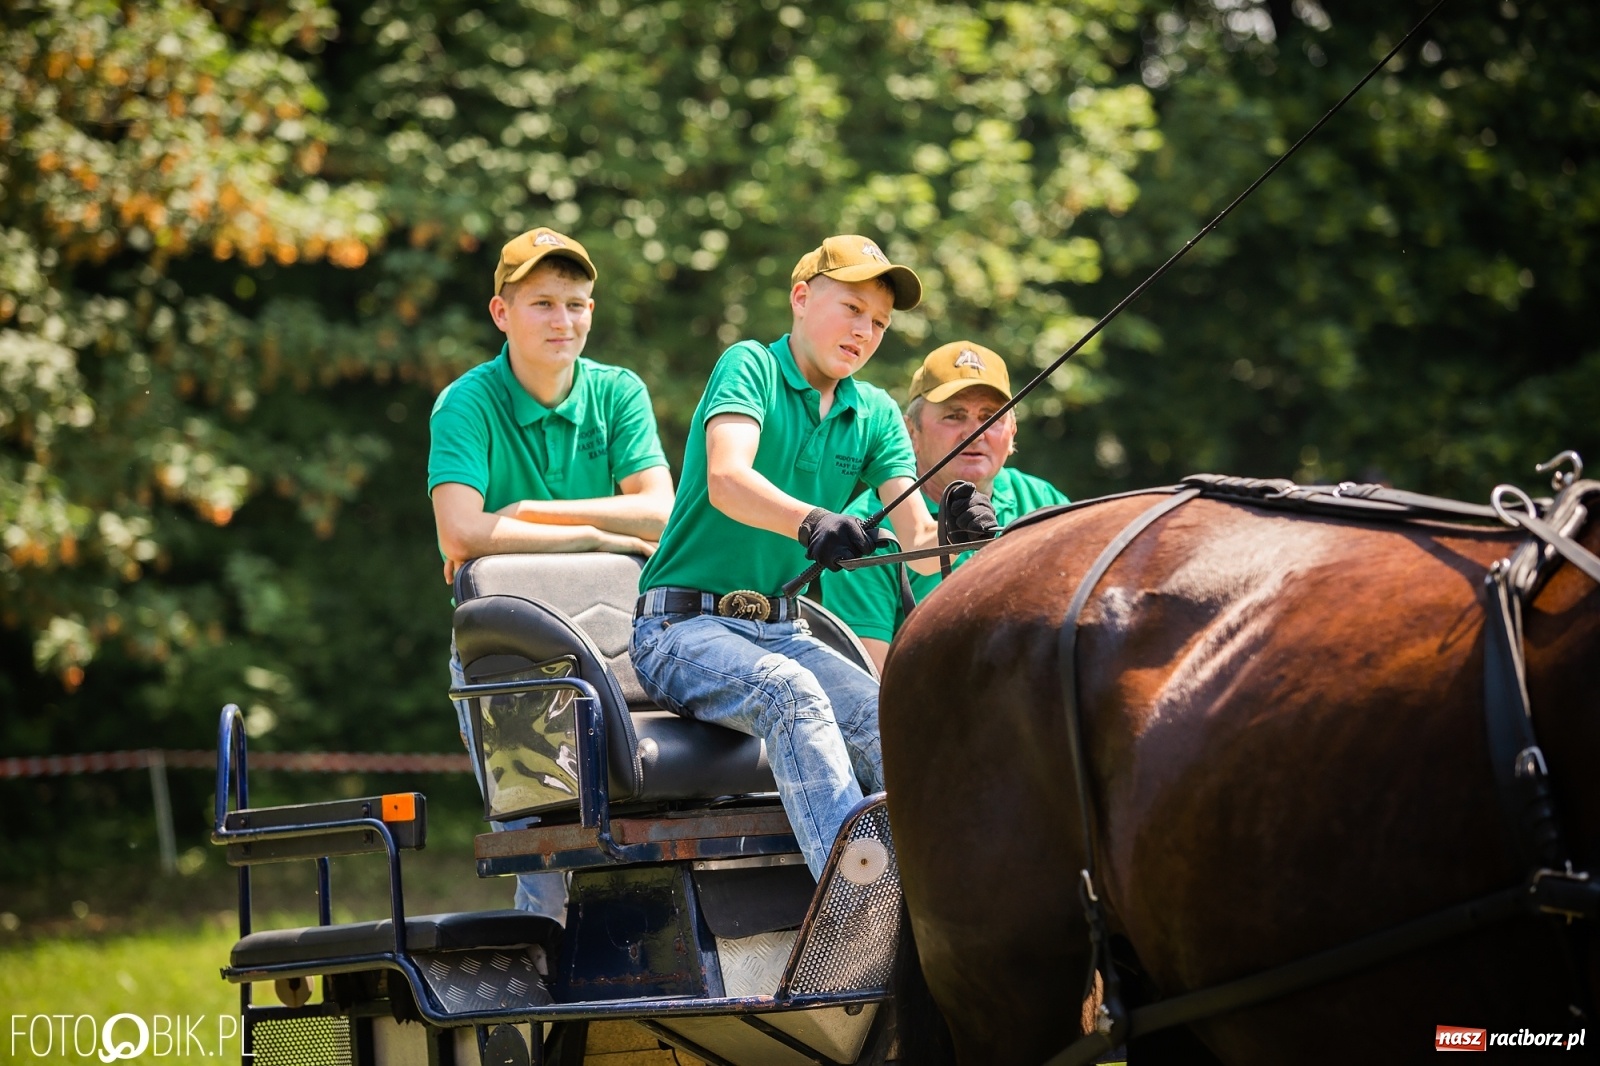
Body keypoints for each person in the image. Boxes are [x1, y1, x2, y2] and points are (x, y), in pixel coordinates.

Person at [628, 235, 997, 879]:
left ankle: (950, 891)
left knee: (886, 721)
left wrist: (957, 530)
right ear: (801, 298)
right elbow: (727, 478)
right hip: (678, 628)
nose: (864, 331)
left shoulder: (875, 411)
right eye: (852, 308)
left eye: (879, 322)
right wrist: (812, 521)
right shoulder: (751, 366)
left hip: (781, 631)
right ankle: (857, 900)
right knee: (791, 693)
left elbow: (916, 546)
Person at [428, 227, 674, 921]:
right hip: (510, 655)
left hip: (621, 639)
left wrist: (526, 515)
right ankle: (548, 979)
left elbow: (662, 513)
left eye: (576, 303)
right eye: (542, 303)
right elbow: (459, 531)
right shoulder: (467, 402)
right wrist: (600, 535)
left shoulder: (618, 392)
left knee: (648, 823)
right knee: (545, 842)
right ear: (501, 312)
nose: (563, 320)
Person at [822, 341, 1069, 673]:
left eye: (990, 417)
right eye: (954, 415)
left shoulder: (1043, 501)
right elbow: (870, 684)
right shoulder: (865, 532)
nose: (976, 433)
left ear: (1012, 431)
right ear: (912, 432)